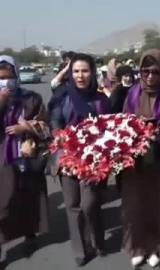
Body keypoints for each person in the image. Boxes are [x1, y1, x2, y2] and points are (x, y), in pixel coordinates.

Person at [0, 55, 49, 268]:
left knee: (28, 198)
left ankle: (30, 234)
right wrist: (1, 101)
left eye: (10, 76)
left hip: (29, 156)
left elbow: (46, 126)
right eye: (1, 77)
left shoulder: (32, 97)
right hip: (2, 158)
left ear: (17, 75)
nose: (6, 81)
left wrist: (26, 128)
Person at [48, 53, 110, 267]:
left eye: (85, 71)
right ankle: (80, 249)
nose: (80, 75)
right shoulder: (62, 97)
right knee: (72, 205)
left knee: (89, 204)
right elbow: (55, 123)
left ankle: (97, 240)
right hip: (67, 157)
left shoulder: (101, 100)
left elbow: (109, 131)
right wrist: (64, 142)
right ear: (70, 73)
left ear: (92, 73)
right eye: (76, 71)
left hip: (94, 161)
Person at [121, 49, 160, 268]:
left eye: (155, 72)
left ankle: (156, 247)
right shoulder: (133, 93)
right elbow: (123, 122)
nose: (150, 76)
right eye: (145, 71)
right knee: (135, 205)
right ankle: (138, 247)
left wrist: (157, 132)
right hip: (135, 161)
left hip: (159, 160)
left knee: (157, 206)